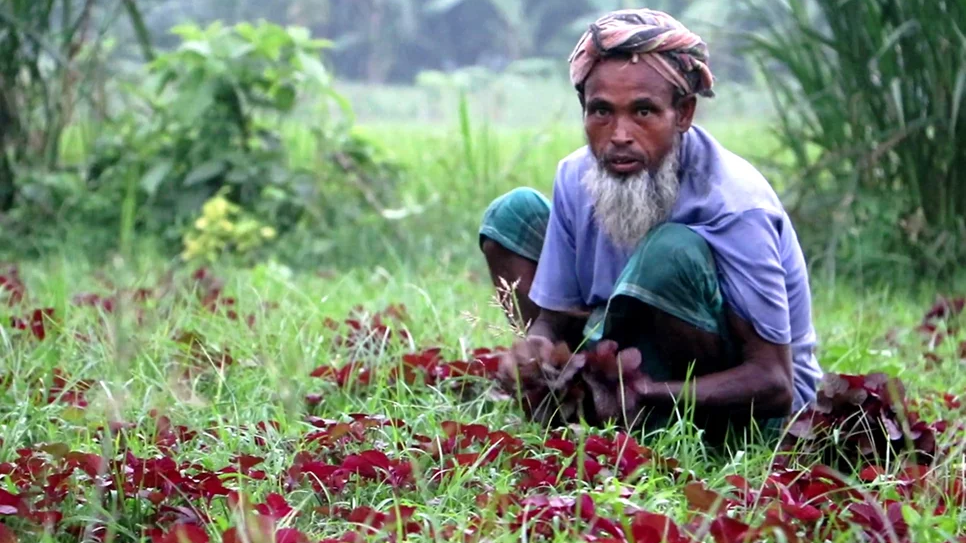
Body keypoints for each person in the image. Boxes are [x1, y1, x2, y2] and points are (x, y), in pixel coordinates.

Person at [478, 8, 823, 442]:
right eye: (601, 112)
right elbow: (555, 316)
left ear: (683, 114)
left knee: (670, 251)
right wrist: (537, 344)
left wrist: (648, 393)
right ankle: (566, 406)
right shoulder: (576, 176)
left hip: (754, 413)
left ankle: (657, 426)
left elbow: (775, 383)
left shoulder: (735, 204)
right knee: (513, 214)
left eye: (643, 112)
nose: (619, 134)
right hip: (628, 363)